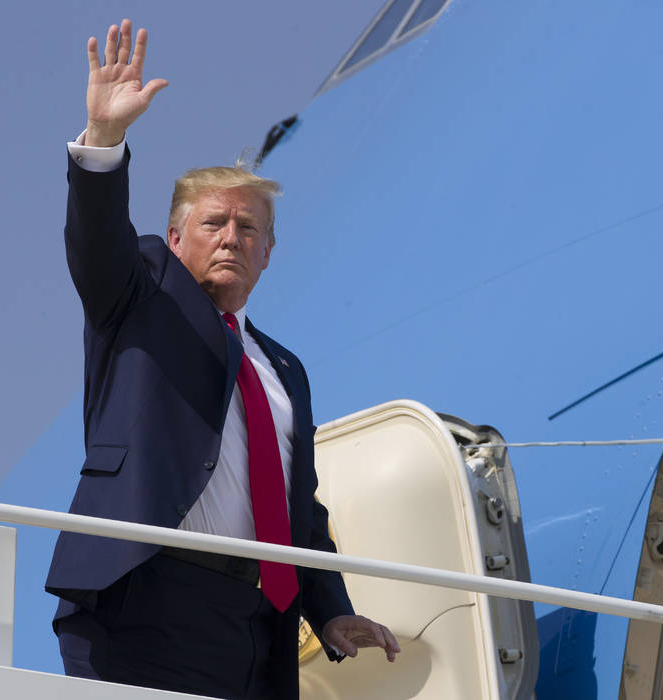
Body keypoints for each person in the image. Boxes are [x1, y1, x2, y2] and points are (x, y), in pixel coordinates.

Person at [44, 19, 400, 699]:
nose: (231, 238)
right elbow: (96, 242)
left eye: (249, 228)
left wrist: (331, 608)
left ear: (269, 252)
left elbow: (300, 510)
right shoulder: (141, 293)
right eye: (214, 224)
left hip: (258, 625)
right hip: (149, 595)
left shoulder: (284, 370)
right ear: (176, 238)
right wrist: (104, 140)